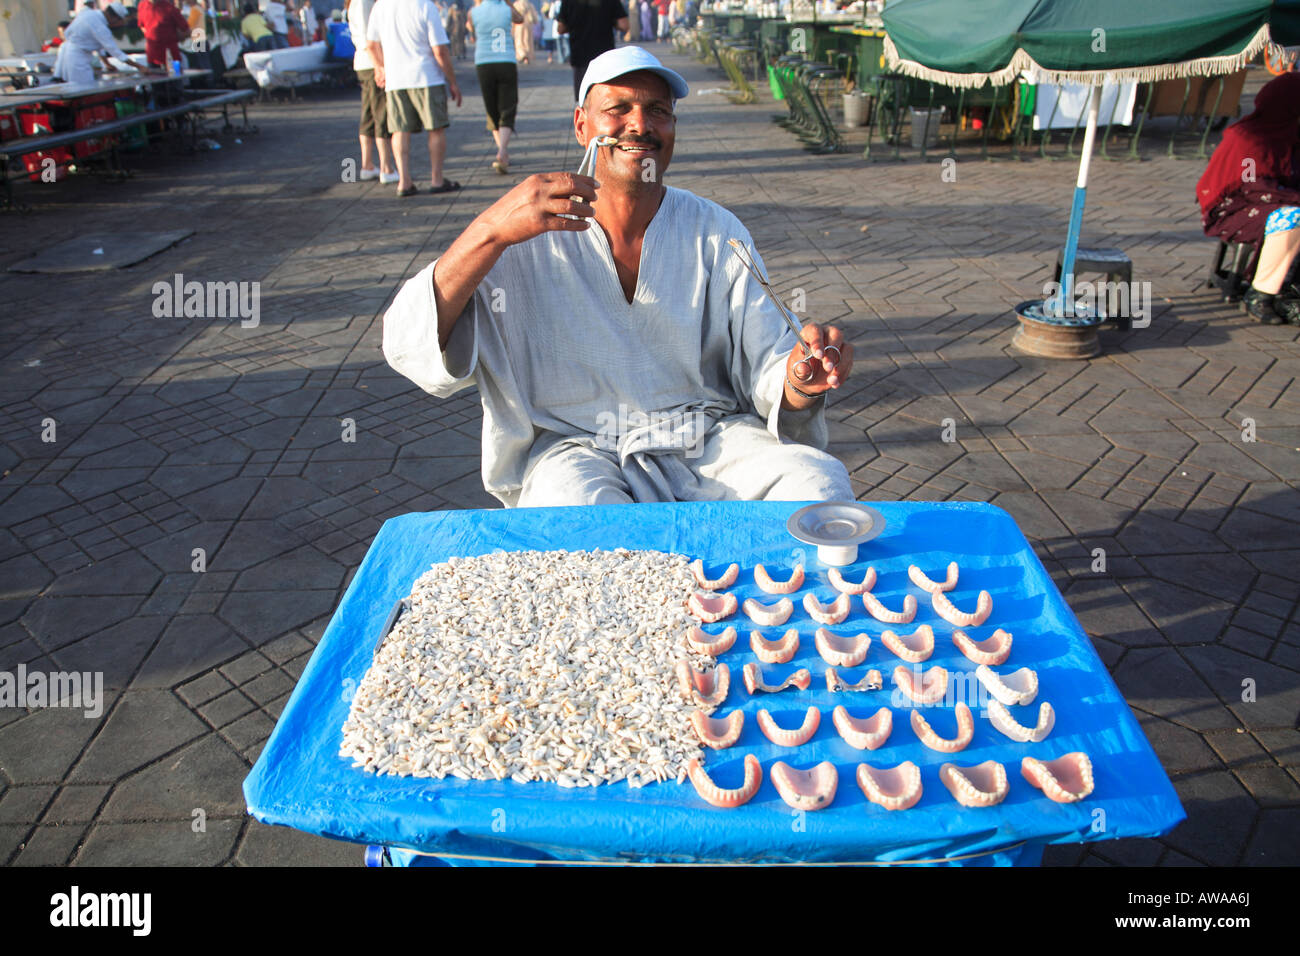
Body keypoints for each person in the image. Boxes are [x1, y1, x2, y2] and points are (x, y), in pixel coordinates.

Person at [381, 47, 854, 507]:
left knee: (817, 484)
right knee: (577, 523)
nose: (640, 125)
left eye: (657, 111)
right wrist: (488, 231)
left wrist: (798, 381)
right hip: (576, 451)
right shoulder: (522, 230)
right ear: (582, 125)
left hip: (708, 441)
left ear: (672, 127)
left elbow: (770, 357)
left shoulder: (716, 230)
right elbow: (409, 345)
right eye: (618, 108)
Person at [1197, 72, 1300, 325]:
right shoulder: (1246, 137)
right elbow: (1252, 185)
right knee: (1292, 217)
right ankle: (1261, 294)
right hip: (1236, 208)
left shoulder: (1291, 134)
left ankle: (1291, 291)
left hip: (1280, 200)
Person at [367, 0, 464, 197]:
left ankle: (404, 181)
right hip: (427, 76)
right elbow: (440, 50)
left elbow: (370, 44)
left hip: (396, 79)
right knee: (436, 129)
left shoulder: (381, 6)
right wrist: (452, 81)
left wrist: (381, 67)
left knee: (400, 130)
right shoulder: (425, 5)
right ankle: (436, 179)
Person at [468, 0, 523, 173]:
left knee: (491, 108)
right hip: (505, 60)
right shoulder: (507, 10)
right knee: (507, 106)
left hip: (484, 62)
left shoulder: (474, 12)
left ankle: (502, 151)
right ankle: (503, 151)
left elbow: (471, 29)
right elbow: (520, 19)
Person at [349, 0, 398, 183]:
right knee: (381, 114)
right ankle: (386, 167)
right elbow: (366, 39)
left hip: (365, 63)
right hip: (371, 64)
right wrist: (380, 66)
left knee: (369, 114)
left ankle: (368, 165)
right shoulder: (363, 2)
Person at [53, 1, 142, 85]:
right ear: (114, 18)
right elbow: (116, 52)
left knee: (76, 87)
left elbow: (100, 47)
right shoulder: (100, 26)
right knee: (82, 89)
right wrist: (140, 67)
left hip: (72, 54)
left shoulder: (90, 14)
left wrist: (107, 64)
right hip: (77, 59)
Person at [555, 0, 627, 101]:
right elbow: (624, 25)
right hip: (604, 55)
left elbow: (560, 28)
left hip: (580, 54)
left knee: (583, 98)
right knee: (605, 99)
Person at [137, 0, 190, 68]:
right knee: (154, 77)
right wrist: (150, 36)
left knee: (174, 78)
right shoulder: (142, 5)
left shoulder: (169, 8)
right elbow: (142, 25)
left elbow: (187, 31)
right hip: (152, 55)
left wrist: (172, 39)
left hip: (170, 56)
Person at [512, 0, 537, 64]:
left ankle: (522, 55)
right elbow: (535, 17)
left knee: (519, 41)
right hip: (528, 25)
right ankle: (527, 57)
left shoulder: (516, 4)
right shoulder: (530, 5)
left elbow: (513, 16)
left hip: (518, 25)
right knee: (527, 41)